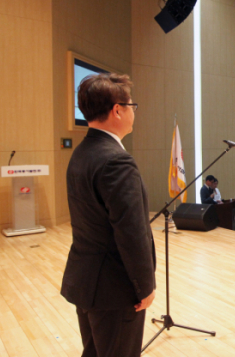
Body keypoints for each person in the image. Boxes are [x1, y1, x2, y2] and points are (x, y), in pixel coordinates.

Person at [61, 73, 156, 356]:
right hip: (115, 288)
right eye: (132, 106)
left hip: (86, 280)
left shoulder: (81, 152)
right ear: (117, 110)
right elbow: (131, 232)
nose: (133, 113)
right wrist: (144, 286)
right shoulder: (116, 160)